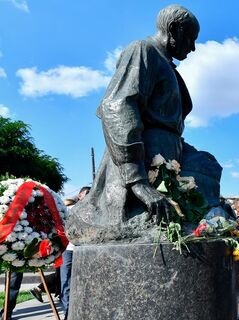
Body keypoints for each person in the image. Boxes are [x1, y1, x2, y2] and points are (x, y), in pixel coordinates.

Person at [68, 4, 226, 245]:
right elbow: (118, 107)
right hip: (143, 162)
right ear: (173, 29)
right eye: (190, 39)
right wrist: (138, 182)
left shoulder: (167, 65)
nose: (193, 48)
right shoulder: (143, 51)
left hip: (170, 155)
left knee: (208, 167)